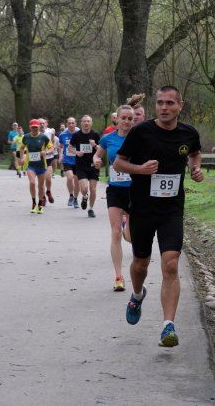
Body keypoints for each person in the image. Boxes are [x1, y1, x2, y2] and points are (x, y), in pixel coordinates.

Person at [113, 86, 204, 348]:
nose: (164, 107)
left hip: (171, 209)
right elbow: (119, 163)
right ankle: (138, 295)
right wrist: (140, 169)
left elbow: (195, 154)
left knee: (171, 264)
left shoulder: (189, 133)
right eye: (160, 103)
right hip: (142, 208)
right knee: (140, 264)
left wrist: (195, 168)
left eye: (170, 103)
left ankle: (168, 326)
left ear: (180, 106)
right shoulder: (141, 132)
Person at [93, 105, 134, 291]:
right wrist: (96, 160)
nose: (126, 121)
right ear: (116, 119)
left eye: (130, 119)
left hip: (135, 190)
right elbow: (97, 155)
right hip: (115, 190)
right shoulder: (108, 139)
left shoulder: (139, 138)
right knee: (115, 232)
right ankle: (118, 276)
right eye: (123, 118)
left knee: (131, 237)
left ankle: (128, 228)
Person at [70, 115, 101, 218]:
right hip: (81, 165)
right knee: (84, 188)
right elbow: (70, 147)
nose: (86, 123)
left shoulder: (95, 135)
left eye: (88, 121)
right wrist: (77, 152)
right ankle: (84, 196)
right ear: (81, 123)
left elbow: (101, 150)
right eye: (84, 121)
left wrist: (95, 145)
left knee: (93, 188)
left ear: (91, 123)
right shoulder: (76, 135)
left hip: (93, 165)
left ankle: (91, 209)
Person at [22, 119, 50, 214]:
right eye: (33, 127)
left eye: (36, 127)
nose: (34, 128)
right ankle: (34, 203)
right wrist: (22, 157)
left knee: (41, 186)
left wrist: (45, 152)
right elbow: (22, 148)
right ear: (30, 127)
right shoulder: (26, 137)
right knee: (32, 183)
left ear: (38, 127)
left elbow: (52, 148)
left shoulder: (43, 137)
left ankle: (40, 204)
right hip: (30, 165)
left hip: (41, 165)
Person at [58, 117, 80, 208]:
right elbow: (61, 146)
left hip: (78, 160)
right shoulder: (63, 135)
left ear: (75, 124)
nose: (71, 125)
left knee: (77, 181)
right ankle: (71, 195)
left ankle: (75, 198)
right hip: (67, 160)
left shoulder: (79, 133)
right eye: (69, 123)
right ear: (67, 124)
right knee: (70, 177)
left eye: (73, 123)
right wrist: (60, 156)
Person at [38, 118, 56, 203]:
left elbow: (53, 144)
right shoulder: (34, 133)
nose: (41, 125)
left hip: (48, 158)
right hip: (38, 159)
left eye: (43, 123)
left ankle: (48, 191)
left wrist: (48, 151)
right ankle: (42, 196)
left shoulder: (50, 132)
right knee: (41, 180)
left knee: (48, 178)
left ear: (46, 124)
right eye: (40, 123)